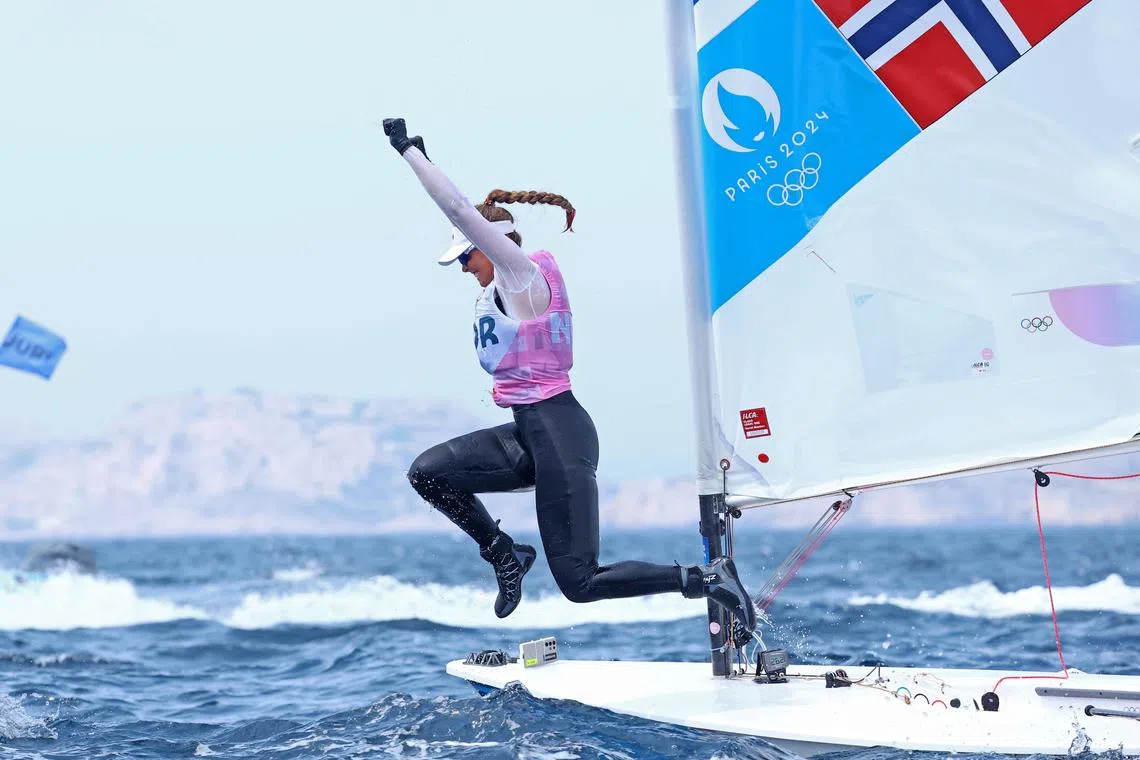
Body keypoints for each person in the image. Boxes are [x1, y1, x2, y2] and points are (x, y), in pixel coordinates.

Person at [383, 117, 756, 631]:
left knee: (580, 583)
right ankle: (505, 553)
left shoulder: (521, 279)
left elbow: (458, 209)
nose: (464, 267)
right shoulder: (496, 290)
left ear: (489, 243)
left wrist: (410, 153)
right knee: (428, 474)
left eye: (466, 255)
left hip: (559, 432)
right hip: (529, 432)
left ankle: (706, 578)